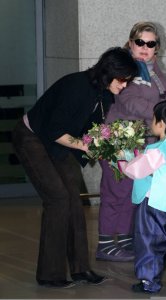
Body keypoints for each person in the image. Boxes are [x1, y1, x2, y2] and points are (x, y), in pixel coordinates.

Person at [12, 47, 138, 288]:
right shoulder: (76, 87)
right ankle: (50, 274)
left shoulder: (105, 94)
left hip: (60, 142)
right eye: (123, 80)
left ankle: (81, 269)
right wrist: (85, 146)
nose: (124, 86)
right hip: (32, 137)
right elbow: (55, 130)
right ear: (108, 72)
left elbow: (91, 129)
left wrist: (108, 143)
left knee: (73, 198)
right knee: (58, 198)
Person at [96, 22, 166, 262]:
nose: (144, 47)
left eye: (150, 44)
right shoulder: (127, 68)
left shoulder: (154, 70)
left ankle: (127, 239)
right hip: (119, 141)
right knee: (115, 191)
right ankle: (106, 244)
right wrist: (162, 112)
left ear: (156, 48)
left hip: (140, 142)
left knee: (133, 192)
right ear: (131, 43)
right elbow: (129, 102)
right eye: (140, 42)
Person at [117, 100, 166, 294]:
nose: (151, 122)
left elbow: (135, 170)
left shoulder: (156, 150)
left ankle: (149, 282)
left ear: (161, 124)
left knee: (148, 242)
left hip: (152, 206)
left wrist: (122, 158)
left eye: (153, 119)